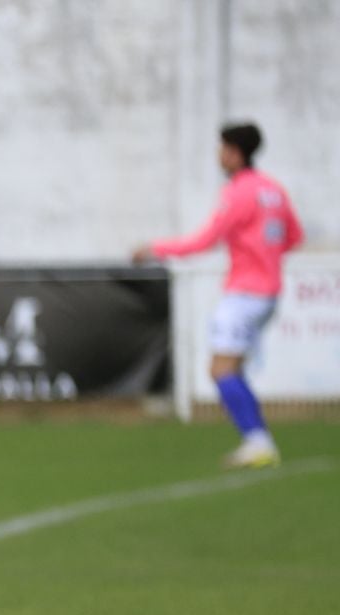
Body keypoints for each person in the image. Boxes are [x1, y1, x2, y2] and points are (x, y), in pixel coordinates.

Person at [135, 122, 303, 469]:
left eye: (222, 148)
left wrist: (155, 248)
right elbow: (293, 236)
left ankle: (258, 441)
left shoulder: (239, 193)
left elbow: (203, 241)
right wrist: (265, 255)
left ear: (235, 152)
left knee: (220, 369)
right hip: (268, 292)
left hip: (244, 292)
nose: (218, 155)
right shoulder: (273, 189)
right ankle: (258, 439)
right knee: (234, 369)